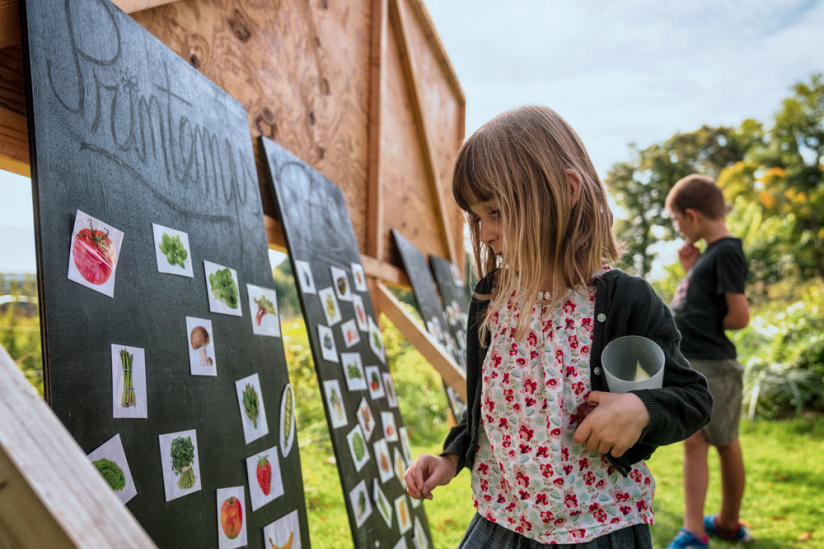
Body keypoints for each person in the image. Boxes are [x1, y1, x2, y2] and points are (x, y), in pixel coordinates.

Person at [404, 105, 713, 548]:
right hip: (501, 521)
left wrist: (642, 410)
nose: (486, 233)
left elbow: (693, 398)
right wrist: (452, 456)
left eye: (496, 211)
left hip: (599, 527)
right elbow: (487, 406)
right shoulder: (490, 299)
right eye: (476, 218)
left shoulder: (625, 301)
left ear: (566, 190)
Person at [664, 174, 752, 549]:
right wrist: (691, 271)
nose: (679, 229)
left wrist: (704, 323)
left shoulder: (727, 250)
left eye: (677, 221)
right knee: (694, 441)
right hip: (696, 362)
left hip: (714, 364)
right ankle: (696, 529)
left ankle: (723, 524)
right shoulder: (710, 255)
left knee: (725, 442)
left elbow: (739, 316)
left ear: (692, 215)